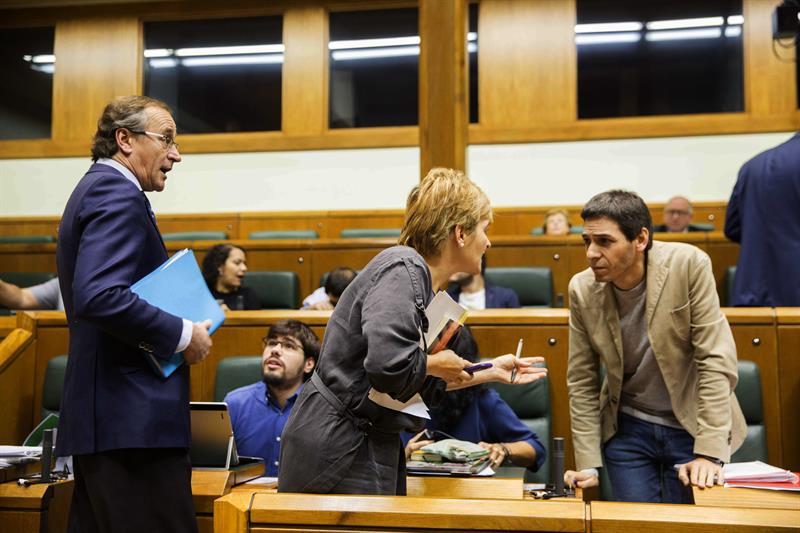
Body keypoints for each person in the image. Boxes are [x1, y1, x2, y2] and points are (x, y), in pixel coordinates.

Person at [277, 168, 548, 496]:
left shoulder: (429, 293)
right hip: (336, 444)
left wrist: (490, 370)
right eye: (484, 229)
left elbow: (418, 380)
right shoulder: (402, 266)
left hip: (369, 442)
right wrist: (435, 363)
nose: (488, 242)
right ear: (460, 233)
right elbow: (388, 365)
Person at [55, 95, 212, 533]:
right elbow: (99, 294)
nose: (175, 155)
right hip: (131, 429)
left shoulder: (96, 188)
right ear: (124, 139)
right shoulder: (116, 192)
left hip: (109, 423)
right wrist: (182, 334)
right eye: (167, 140)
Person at [564, 190, 745, 504]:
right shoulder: (582, 288)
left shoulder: (688, 265)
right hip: (628, 431)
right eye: (587, 242)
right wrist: (588, 463)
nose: (592, 253)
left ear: (641, 239)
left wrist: (709, 452)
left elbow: (715, 360)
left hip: (691, 427)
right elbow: (581, 380)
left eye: (604, 242)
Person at [403, 328, 546, 472]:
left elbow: (536, 448)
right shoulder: (400, 396)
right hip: (411, 490)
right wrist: (402, 457)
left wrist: (503, 449)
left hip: (469, 490)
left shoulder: (482, 399)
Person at [225, 320, 320, 476]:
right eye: (272, 343)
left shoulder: (321, 408)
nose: (275, 350)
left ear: (308, 364)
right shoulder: (235, 403)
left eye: (289, 346)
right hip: (242, 499)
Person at [725, 133, 800, 307]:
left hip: (753, 291)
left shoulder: (752, 166)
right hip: (794, 298)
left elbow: (732, 228)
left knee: (757, 336)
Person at [446, 255, 520, 309]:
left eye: (458, 260)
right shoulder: (447, 298)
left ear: (477, 264)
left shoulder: (506, 297)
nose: (451, 266)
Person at [202, 243, 260, 310]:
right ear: (219, 266)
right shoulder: (203, 295)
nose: (244, 268)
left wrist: (230, 316)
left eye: (244, 263)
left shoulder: (249, 296)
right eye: (237, 263)